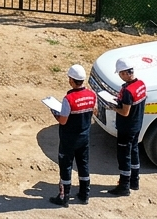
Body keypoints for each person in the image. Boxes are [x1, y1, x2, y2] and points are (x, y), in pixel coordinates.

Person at [49, 64, 96, 207]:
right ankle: (84, 194)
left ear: (71, 80)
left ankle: (64, 197)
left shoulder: (68, 99)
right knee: (83, 165)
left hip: (69, 139)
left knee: (66, 167)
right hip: (84, 137)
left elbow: (63, 121)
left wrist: (55, 113)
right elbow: (95, 111)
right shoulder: (91, 95)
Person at [107, 57, 147, 196]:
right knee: (134, 151)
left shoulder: (128, 91)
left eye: (120, 74)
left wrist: (113, 107)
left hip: (126, 128)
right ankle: (134, 181)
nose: (120, 76)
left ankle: (124, 186)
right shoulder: (141, 84)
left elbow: (125, 112)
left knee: (124, 156)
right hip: (137, 124)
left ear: (125, 73)